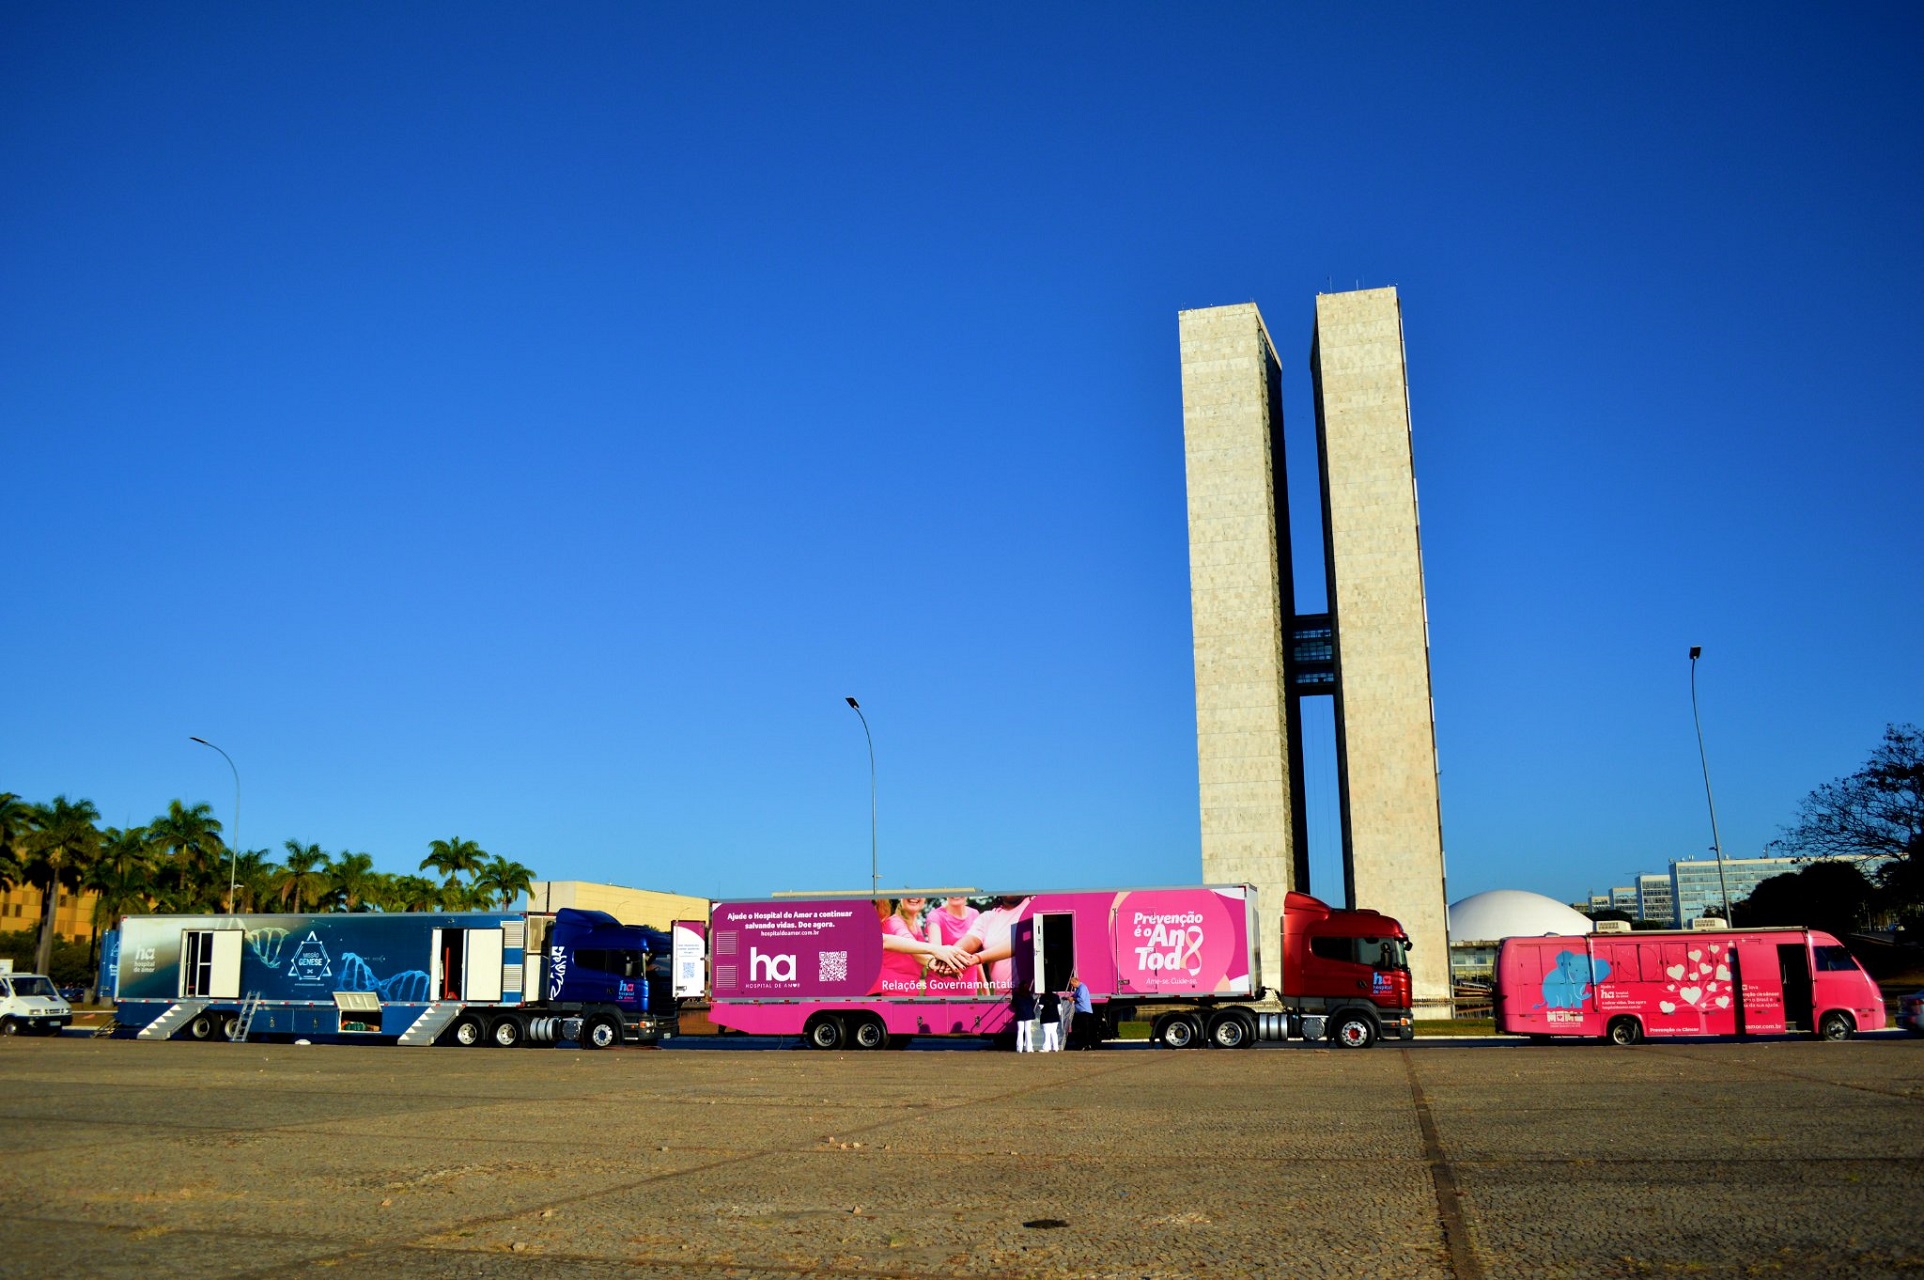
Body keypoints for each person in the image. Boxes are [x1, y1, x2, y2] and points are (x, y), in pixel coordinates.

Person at [923, 896, 987, 996]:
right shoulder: (935, 916)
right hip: (939, 992)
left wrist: (985, 990)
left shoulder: (975, 914)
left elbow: (976, 957)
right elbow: (935, 950)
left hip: (968, 992)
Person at [1067, 972, 1096, 1049]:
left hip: (1084, 1011)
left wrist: (1072, 999)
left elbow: (1081, 999)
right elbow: (1075, 995)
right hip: (1081, 1011)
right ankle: (1083, 1044)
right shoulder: (1078, 989)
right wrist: (1069, 997)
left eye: (1072, 984)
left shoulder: (1082, 988)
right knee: (1081, 1028)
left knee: (1085, 1029)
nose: (1072, 986)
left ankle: (1087, 1045)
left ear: (1075, 982)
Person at [1011, 981, 1037, 1052]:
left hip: (1020, 1014)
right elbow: (1033, 1003)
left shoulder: (1016, 994)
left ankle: (1019, 1048)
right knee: (1028, 1031)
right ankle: (1029, 1048)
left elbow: (1013, 1004)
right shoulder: (1029, 995)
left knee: (1020, 1031)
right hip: (1028, 1014)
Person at [1038, 982, 1063, 1052]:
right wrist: (1059, 1014)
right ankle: (1056, 1047)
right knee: (1054, 1032)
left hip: (1046, 1017)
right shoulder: (1056, 997)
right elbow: (1059, 1007)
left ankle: (1046, 1048)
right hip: (1055, 1016)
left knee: (1046, 1032)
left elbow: (1040, 1007)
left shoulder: (1042, 997)